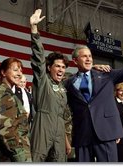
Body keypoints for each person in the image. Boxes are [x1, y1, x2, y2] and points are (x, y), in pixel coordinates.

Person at [64, 30, 123, 161]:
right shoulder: (69, 82)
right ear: (75, 61)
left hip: (106, 133)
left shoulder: (106, 75)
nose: (88, 59)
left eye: (90, 56)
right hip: (83, 135)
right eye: (84, 56)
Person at [30, 9, 72, 162]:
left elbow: (63, 117)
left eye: (63, 67)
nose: (61, 69)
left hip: (60, 131)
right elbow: (38, 58)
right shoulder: (43, 81)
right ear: (49, 68)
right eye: (57, 66)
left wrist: (66, 140)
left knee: (59, 161)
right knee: (37, 159)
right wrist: (34, 30)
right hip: (43, 125)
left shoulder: (63, 88)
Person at [0, 58, 31, 162]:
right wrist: (20, 157)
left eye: (21, 71)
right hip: (8, 156)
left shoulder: (11, 94)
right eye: (15, 70)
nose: (19, 74)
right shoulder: (3, 94)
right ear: (3, 72)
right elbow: (6, 131)